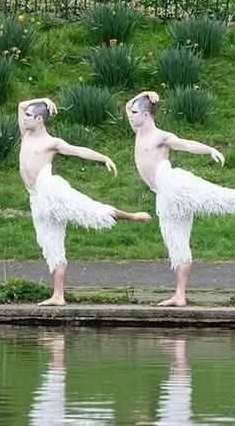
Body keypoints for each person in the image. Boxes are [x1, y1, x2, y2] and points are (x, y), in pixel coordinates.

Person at [125, 91, 235, 307]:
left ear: (145, 115)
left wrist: (209, 149)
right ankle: (180, 295)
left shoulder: (160, 136)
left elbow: (186, 144)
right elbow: (127, 105)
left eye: (135, 113)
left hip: (175, 184)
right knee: (177, 245)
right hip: (164, 195)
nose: (130, 115)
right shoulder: (138, 131)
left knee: (219, 196)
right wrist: (145, 93)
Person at [18, 97, 150, 306]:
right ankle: (58, 295)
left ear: (39, 119)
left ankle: (132, 216)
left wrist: (103, 158)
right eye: (25, 116)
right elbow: (21, 105)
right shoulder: (25, 134)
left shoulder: (51, 142)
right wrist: (43, 99)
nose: (24, 118)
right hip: (37, 200)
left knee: (91, 211)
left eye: (28, 116)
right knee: (52, 247)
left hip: (52, 191)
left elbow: (78, 150)